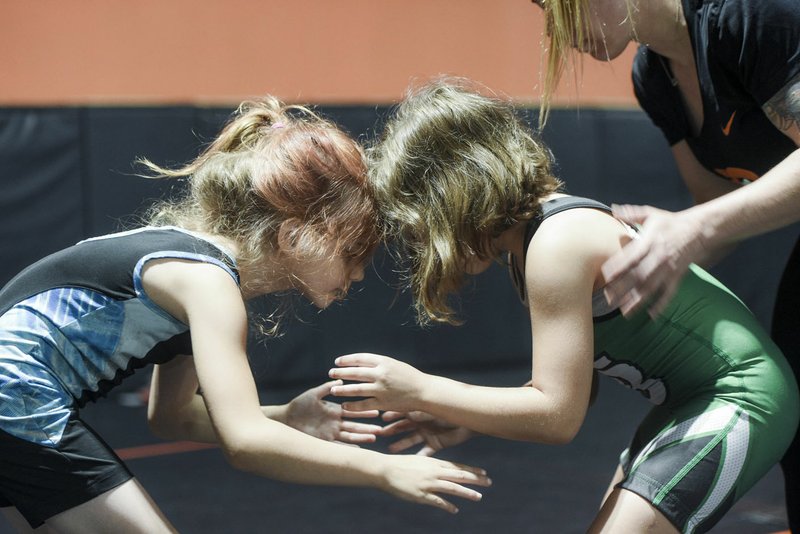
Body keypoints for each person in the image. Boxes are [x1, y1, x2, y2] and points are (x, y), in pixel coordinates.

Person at [0, 95, 491, 533]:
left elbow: (170, 418)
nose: (359, 275)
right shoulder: (207, 282)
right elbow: (246, 442)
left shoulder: (195, 282)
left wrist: (285, 416)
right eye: (354, 251)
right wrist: (384, 470)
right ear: (296, 236)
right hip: (15, 393)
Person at [328, 78, 800, 532]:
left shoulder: (556, 243)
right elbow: (575, 389)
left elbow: (557, 418)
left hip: (739, 396)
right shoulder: (528, 250)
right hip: (690, 402)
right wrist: (462, 413)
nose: (422, 243)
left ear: (457, 193)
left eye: (423, 225)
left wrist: (422, 389)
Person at [530, 0, 800, 526]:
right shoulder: (654, 76)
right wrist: (648, 255)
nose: (556, 30)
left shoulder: (745, 17)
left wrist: (693, 230)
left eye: (557, 6)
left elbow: (706, 225)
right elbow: (715, 204)